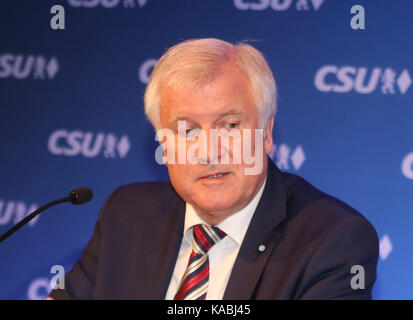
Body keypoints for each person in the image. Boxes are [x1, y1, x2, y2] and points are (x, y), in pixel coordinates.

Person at [48, 38, 379, 300]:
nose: (209, 152)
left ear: (265, 135)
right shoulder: (126, 214)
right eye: (187, 131)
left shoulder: (331, 241)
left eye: (230, 125)